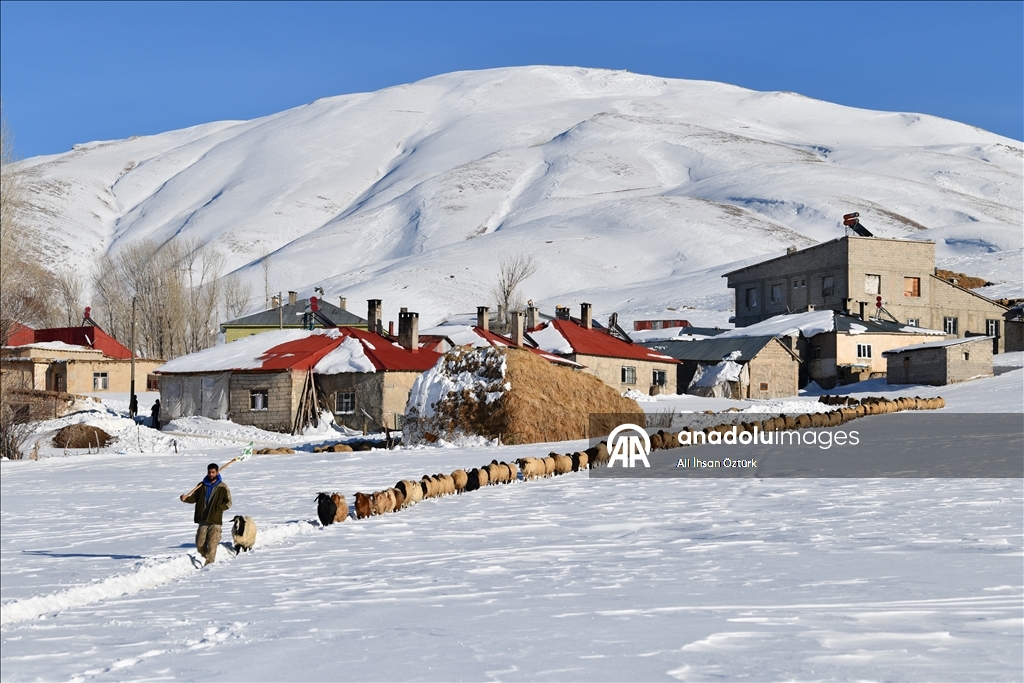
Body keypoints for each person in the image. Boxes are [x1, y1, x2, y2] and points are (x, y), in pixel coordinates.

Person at [180, 463, 232, 565]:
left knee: (212, 545)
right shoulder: (201, 485)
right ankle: (207, 557)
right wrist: (185, 499)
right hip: (203, 519)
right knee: (200, 544)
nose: (211, 474)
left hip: (215, 520)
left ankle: (208, 566)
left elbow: (229, 503)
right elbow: (194, 498)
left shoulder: (223, 487)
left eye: (213, 472)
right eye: (209, 472)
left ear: (217, 472)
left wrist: (218, 508)